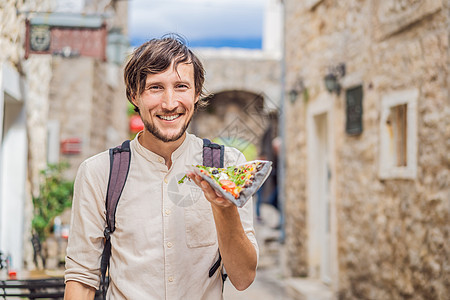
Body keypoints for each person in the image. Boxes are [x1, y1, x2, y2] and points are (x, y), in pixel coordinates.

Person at [64, 35, 258, 299]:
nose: (169, 103)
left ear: (196, 93)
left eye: (181, 86)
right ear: (134, 94)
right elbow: (82, 279)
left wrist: (225, 209)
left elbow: (244, 277)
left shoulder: (227, 166)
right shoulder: (100, 173)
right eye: (155, 87)